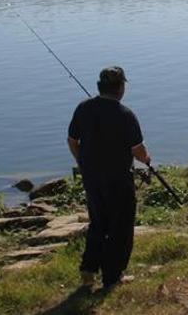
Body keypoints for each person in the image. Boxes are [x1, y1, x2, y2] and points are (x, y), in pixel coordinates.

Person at [67, 66, 151, 290]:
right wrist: (147, 159)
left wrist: (81, 162)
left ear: (100, 86)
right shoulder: (125, 115)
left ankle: (88, 270)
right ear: (121, 88)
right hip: (118, 180)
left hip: (92, 178)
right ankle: (112, 277)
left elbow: (72, 140)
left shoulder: (83, 108)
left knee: (98, 223)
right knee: (120, 227)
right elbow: (138, 150)